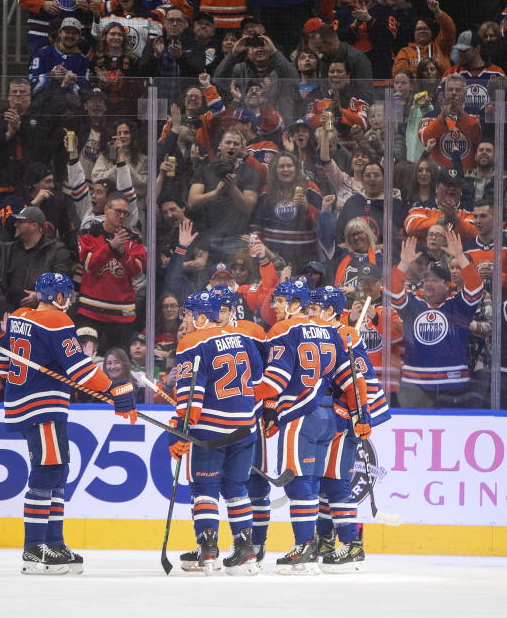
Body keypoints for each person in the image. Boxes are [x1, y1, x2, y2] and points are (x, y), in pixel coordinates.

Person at [0, 272, 137, 575]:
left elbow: (2, 366)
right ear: (58, 297)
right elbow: (79, 369)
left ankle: (54, 542)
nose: (68, 301)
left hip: (30, 403)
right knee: (47, 471)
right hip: (42, 405)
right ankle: (34, 548)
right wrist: (113, 388)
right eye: (66, 295)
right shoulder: (57, 321)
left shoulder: (20, 316)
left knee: (59, 470)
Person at [253, 278, 356, 574]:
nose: (276, 306)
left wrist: (244, 393)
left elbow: (275, 380)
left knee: (300, 483)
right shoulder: (328, 329)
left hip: (300, 416)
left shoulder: (283, 329)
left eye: (281, 301)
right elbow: (346, 377)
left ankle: (305, 547)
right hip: (327, 415)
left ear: (296, 304)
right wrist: (362, 413)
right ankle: (313, 545)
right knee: (313, 482)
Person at [168, 289, 263, 575]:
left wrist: (180, 431)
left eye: (188, 314)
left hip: (211, 430)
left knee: (205, 488)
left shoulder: (191, 341)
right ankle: (245, 548)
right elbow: (257, 377)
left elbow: (190, 392)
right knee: (237, 488)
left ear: (200, 316)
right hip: (246, 426)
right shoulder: (243, 337)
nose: (185, 319)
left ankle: (208, 547)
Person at [306, 285, 389, 573]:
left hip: (344, 419)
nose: (309, 313)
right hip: (327, 420)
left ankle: (352, 545)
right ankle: (327, 540)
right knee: (324, 481)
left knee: (337, 480)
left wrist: (362, 416)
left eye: (314, 309)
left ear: (330, 311)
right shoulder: (327, 334)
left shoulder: (346, 336)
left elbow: (360, 381)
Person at [390, 234, 483, 409]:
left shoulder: (457, 306)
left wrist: (460, 257)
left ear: (447, 284)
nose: (427, 284)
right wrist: (403, 264)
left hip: (453, 385)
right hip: (414, 386)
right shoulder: (414, 306)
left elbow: (476, 288)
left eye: (433, 280)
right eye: (425, 280)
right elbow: (394, 292)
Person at [75, 193, 146, 351]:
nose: (122, 216)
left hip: (122, 313)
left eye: (125, 213)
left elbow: (137, 271)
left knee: (118, 362)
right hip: (90, 311)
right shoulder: (87, 233)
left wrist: (122, 253)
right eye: (118, 211)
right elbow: (89, 265)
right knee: (85, 358)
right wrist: (111, 247)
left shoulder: (133, 238)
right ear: (106, 209)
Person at [187, 128, 260, 267]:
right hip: (207, 240)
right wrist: (215, 193)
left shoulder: (250, 173)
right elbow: (192, 202)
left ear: (241, 148)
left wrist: (232, 188)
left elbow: (249, 207)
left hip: (236, 240)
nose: (231, 146)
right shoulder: (205, 170)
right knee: (204, 285)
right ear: (220, 145)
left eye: (236, 144)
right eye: (228, 142)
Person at [0, 206, 73, 314]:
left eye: (20, 222)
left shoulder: (57, 251)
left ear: (34, 225)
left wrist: (40, 296)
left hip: (43, 313)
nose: (15, 224)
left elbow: (62, 285)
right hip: (13, 312)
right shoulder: (9, 249)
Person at [0, 78, 46, 209]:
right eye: (14, 91)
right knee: (4, 222)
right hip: (3, 180)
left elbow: (43, 145)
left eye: (22, 92)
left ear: (30, 96)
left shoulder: (39, 116)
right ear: (8, 96)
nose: (17, 95)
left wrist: (20, 127)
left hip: (32, 181)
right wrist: (7, 135)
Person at [404, 167, 477, 245]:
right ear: (437, 188)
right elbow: (410, 227)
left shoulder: (470, 211)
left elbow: (477, 234)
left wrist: (456, 220)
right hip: (426, 255)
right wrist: (442, 220)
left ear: (461, 190)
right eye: (447, 184)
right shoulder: (422, 207)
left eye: (456, 185)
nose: (452, 188)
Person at [391, 0, 456, 77]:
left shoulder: (441, 46)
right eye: (418, 29)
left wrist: (437, 11)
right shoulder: (405, 52)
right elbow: (399, 74)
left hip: (442, 88)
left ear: (431, 32)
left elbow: (449, 29)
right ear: (413, 33)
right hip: (416, 89)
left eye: (426, 28)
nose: (422, 31)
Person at [28, 17, 91, 96]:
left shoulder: (83, 61)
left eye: (74, 33)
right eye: (67, 32)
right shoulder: (42, 53)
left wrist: (72, 81)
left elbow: (86, 91)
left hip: (71, 105)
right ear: (60, 33)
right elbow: (31, 82)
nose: (70, 36)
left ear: (79, 37)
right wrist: (50, 76)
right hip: (44, 103)